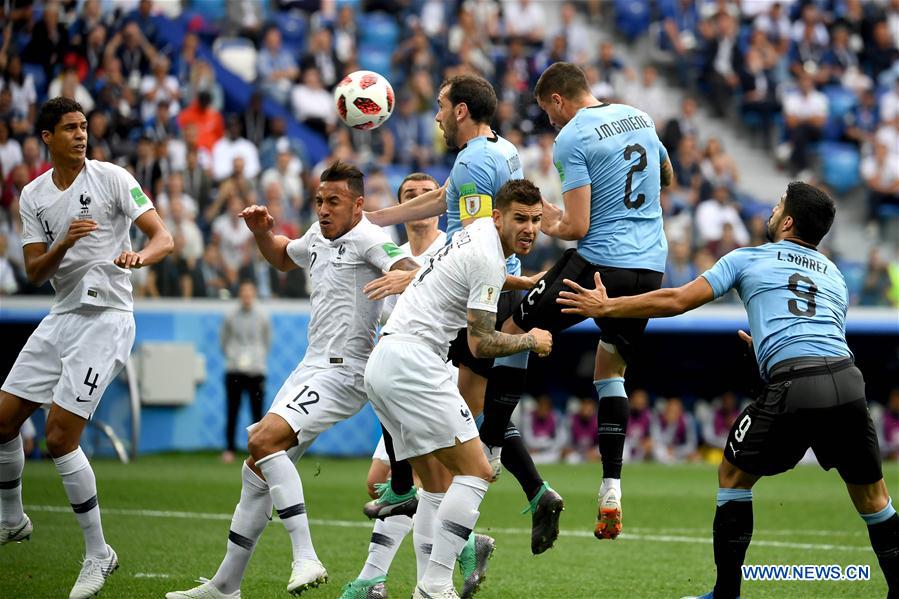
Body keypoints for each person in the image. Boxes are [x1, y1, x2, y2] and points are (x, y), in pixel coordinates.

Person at [557, 182, 898, 599]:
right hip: (847, 381)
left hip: (795, 382)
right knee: (874, 498)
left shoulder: (748, 258)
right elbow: (820, 334)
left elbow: (679, 299)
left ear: (787, 221)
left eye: (777, 206)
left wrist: (607, 307)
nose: (771, 211)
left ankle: (725, 594)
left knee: (732, 475)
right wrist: (769, 349)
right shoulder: (835, 275)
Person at [166, 162, 419, 599]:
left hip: (346, 369)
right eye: (319, 200)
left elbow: (410, 266)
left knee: (263, 442)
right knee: (257, 469)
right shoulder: (319, 235)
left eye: (333, 201)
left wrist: (405, 274)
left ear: (358, 205)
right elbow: (284, 256)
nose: (323, 209)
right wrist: (263, 232)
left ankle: (305, 555)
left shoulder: (371, 238)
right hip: (312, 365)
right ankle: (225, 585)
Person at [364, 74, 564, 556]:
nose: (435, 115)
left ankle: (413, 489)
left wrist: (416, 279)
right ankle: (531, 492)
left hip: (479, 298)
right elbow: (442, 200)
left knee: (420, 396)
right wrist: (371, 221)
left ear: (459, 111)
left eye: (440, 105)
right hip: (497, 289)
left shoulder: (473, 162)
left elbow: (469, 244)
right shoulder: (500, 150)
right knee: (456, 409)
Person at [0, 97, 173, 599]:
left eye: (83, 126)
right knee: (4, 421)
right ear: (47, 138)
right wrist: (65, 244)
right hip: (63, 316)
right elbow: (35, 271)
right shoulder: (32, 196)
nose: (81, 134)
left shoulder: (114, 178)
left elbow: (164, 237)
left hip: (108, 321)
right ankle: (12, 519)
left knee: (58, 437)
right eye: (69, 128)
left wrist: (138, 256)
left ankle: (99, 553)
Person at [506, 61, 673, 540]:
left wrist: (548, 222)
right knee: (610, 370)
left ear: (557, 100)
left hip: (597, 264)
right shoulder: (639, 116)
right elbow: (667, 175)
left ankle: (496, 443)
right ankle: (612, 488)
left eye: (547, 112)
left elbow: (576, 228)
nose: (550, 122)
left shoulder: (572, 136)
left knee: (513, 332)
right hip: (649, 267)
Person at [365, 179, 552, 599]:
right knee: (478, 471)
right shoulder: (487, 254)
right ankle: (434, 585)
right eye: (520, 219)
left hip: (387, 361)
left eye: (537, 220)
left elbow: (470, 279)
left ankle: (421, 585)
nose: (530, 228)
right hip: (416, 365)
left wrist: (520, 283)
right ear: (498, 216)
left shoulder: (474, 234)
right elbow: (480, 342)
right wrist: (531, 340)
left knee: (433, 482)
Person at [341, 172, 454, 599]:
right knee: (381, 482)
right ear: (402, 205)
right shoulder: (393, 255)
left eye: (427, 194)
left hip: (439, 372)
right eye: (410, 195)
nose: (420, 201)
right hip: (397, 372)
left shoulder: (451, 248)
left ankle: (400, 581)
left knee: (427, 483)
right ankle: (457, 550)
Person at [220, 280, 270, 463]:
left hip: (256, 370)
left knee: (257, 413)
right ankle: (229, 448)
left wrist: (258, 357)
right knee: (232, 410)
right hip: (234, 369)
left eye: (250, 292)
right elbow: (224, 339)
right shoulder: (230, 315)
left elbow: (266, 340)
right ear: (240, 294)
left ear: (254, 294)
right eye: (244, 292)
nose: (247, 296)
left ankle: (257, 450)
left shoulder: (263, 315)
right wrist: (233, 356)